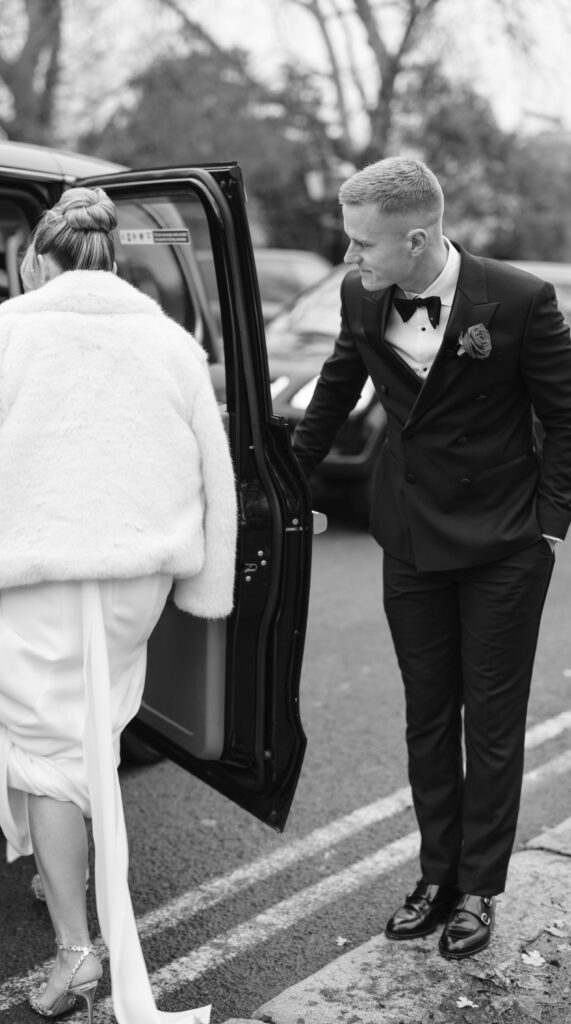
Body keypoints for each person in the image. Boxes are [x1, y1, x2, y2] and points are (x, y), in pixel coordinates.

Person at [0, 187, 237, 1023]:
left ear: (35, 262)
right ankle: (62, 874)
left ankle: (77, 953)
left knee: (38, 752)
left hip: (37, 573)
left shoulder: (5, 335)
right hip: (135, 581)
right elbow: (214, 473)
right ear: (112, 259)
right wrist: (209, 582)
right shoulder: (171, 342)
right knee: (88, 731)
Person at [292, 157, 571, 959]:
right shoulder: (360, 295)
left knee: (491, 724)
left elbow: (565, 416)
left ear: (415, 240)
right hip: (409, 538)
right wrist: (281, 486)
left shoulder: (517, 299)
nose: (349, 257)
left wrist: (549, 526)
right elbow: (336, 388)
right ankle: (435, 876)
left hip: (503, 546)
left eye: (361, 244)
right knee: (426, 717)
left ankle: (479, 888)